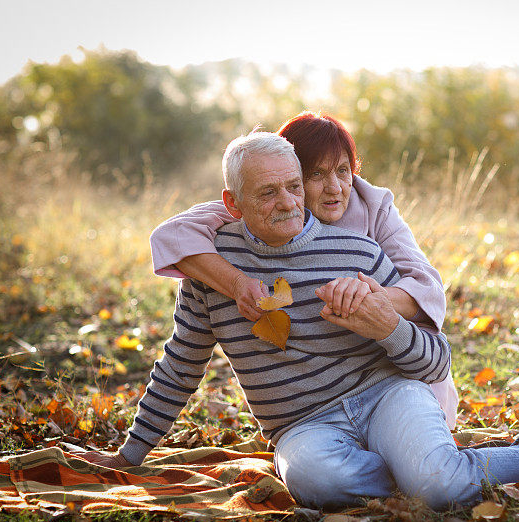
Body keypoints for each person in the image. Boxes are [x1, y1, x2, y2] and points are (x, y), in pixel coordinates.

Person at [86, 132, 519, 510]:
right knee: (316, 483)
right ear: (232, 203)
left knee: (440, 487)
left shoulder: (358, 250)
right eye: (267, 194)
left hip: (388, 395)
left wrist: (386, 327)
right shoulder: (210, 270)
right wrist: (130, 455)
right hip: (303, 425)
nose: (287, 203)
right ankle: (423, 470)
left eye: (291, 188)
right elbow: (180, 365)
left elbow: (436, 361)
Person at [148, 112, 458, 429]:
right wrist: (237, 283)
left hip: (398, 379)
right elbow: (171, 236)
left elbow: (427, 287)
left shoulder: (373, 207)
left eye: (343, 171)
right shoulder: (270, 203)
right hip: (315, 409)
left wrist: (364, 296)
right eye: (316, 175)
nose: (334, 187)